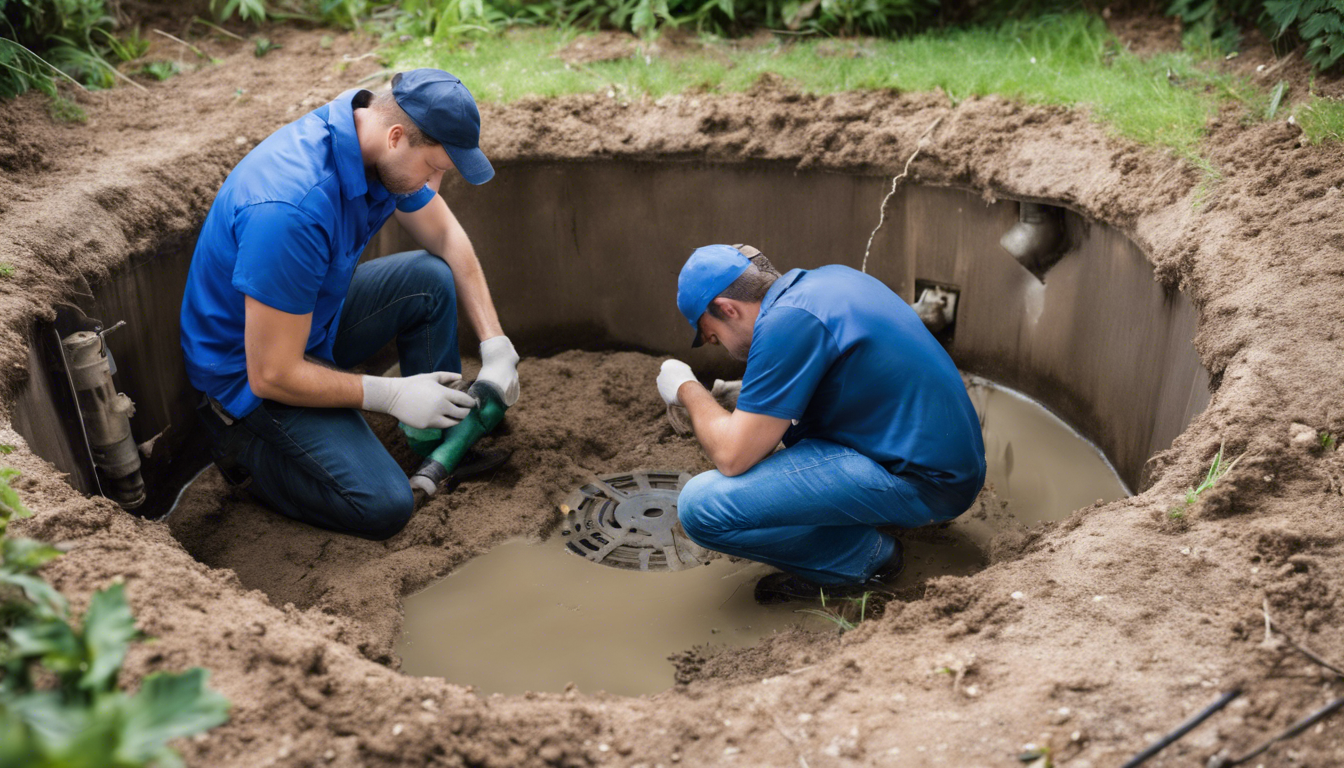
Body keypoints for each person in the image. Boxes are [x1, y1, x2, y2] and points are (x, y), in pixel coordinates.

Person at [180, 69, 519, 540]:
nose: (435, 184)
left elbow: (445, 236)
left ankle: (438, 441)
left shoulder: (373, 140)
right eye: (435, 167)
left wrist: (495, 341)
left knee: (428, 278)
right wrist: (393, 395)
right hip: (248, 379)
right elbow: (272, 373)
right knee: (385, 506)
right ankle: (250, 460)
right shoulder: (291, 208)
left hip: (313, 323)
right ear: (397, 137)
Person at [657, 244, 986, 603]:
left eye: (713, 336)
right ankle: (879, 519)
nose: (720, 346)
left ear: (727, 309)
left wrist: (686, 388)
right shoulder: (831, 281)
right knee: (779, 437)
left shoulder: (785, 323)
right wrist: (740, 393)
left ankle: (865, 560)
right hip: (948, 465)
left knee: (701, 507)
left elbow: (732, 456)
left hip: (927, 486)